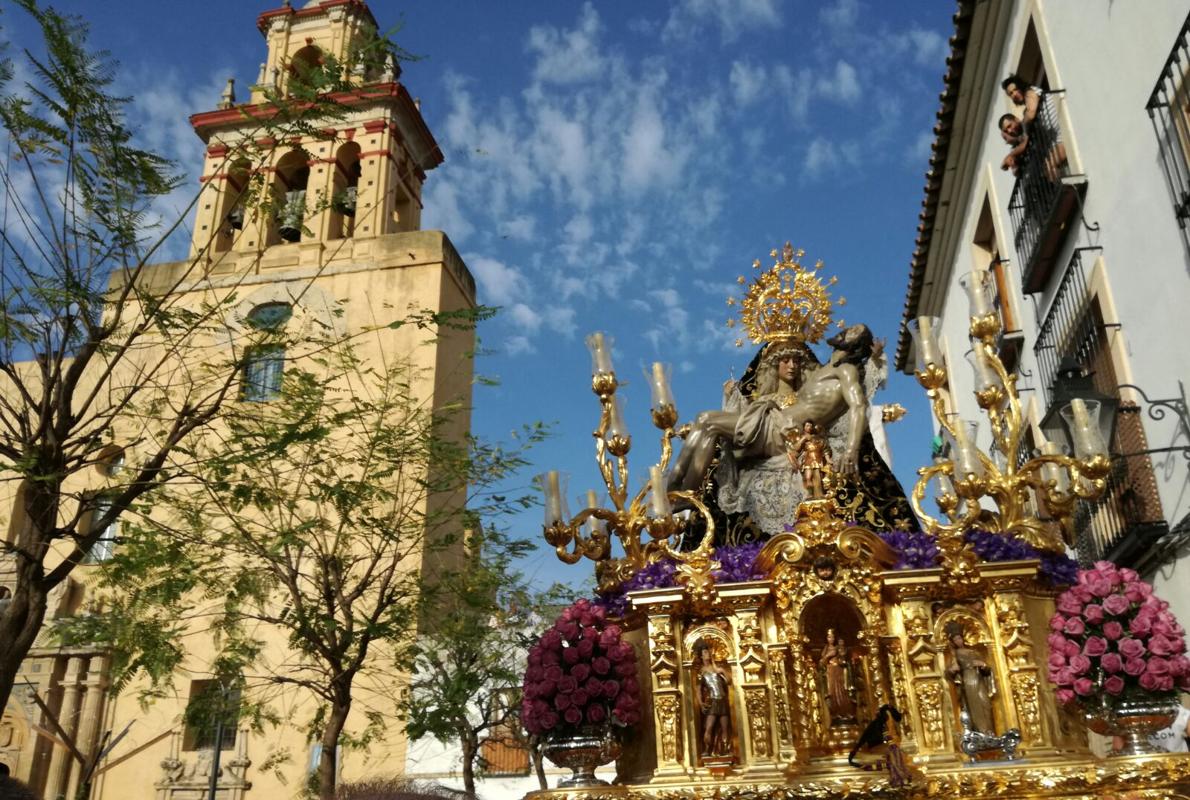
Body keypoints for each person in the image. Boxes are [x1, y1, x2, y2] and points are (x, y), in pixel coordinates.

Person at [1001, 74, 1066, 182]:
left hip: (1063, 130)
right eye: (1010, 94)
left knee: (1049, 167)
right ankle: (1068, 189)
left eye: (1015, 90)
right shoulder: (1026, 107)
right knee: (1048, 167)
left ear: (1021, 86)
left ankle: (1069, 189)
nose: (1014, 95)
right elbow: (1025, 143)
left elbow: (1031, 114)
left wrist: (1024, 123)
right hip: (1059, 138)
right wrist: (1010, 155)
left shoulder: (1030, 92)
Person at [944, 622, 996, 735]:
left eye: (959, 638)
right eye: (955, 639)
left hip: (979, 679)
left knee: (985, 703)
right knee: (974, 707)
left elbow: (987, 670)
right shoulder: (955, 655)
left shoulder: (974, 652)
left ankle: (989, 731)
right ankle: (980, 732)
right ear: (953, 642)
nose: (958, 641)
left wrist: (982, 665)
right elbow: (948, 672)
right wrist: (952, 669)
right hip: (968, 681)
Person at [695, 644, 732, 757]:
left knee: (725, 727)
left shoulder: (717, 669)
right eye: (705, 653)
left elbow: (729, 681)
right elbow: (698, 690)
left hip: (722, 700)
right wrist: (701, 703)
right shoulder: (701, 671)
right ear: (701, 656)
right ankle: (707, 749)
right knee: (709, 727)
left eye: (708, 652)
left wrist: (721, 671)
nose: (708, 654)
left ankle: (725, 749)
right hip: (712, 701)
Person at [820, 628, 857, 724]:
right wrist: (828, 656)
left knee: (842, 692)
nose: (830, 639)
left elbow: (844, 658)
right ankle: (835, 714)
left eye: (832, 637)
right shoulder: (825, 649)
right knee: (832, 694)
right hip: (830, 673)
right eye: (828, 637)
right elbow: (821, 663)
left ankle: (846, 713)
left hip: (839, 672)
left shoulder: (839, 648)